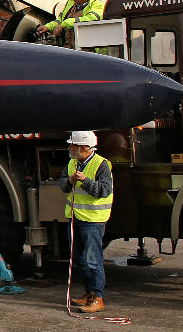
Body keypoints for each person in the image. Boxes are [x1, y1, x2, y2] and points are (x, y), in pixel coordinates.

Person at [61, 130, 113, 314]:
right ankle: (89, 293)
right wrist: (69, 180)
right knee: (78, 260)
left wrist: (85, 181)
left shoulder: (102, 165)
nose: (69, 148)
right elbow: (62, 185)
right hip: (75, 218)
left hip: (93, 221)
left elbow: (104, 190)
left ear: (84, 148)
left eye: (73, 145)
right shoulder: (72, 163)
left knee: (93, 260)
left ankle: (97, 297)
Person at [37, 0, 104, 43]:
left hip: (86, 50)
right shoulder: (71, 4)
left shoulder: (97, 4)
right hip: (68, 48)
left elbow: (91, 19)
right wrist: (48, 27)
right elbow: (60, 20)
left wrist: (66, 23)